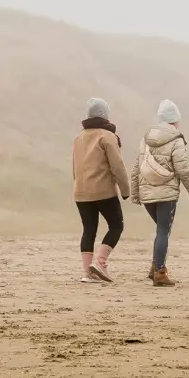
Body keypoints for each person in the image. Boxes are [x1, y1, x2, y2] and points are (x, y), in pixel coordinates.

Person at [130, 99, 189, 287]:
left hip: (147, 194)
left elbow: (137, 167)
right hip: (166, 194)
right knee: (163, 231)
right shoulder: (176, 139)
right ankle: (160, 272)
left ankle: (155, 268)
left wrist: (135, 193)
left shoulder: (146, 138)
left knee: (161, 230)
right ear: (175, 121)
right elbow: (183, 169)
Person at [72, 98, 131, 283]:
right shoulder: (107, 136)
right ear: (105, 115)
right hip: (103, 191)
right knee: (116, 225)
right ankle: (101, 263)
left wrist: (78, 185)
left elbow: (75, 167)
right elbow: (118, 166)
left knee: (89, 230)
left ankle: (87, 273)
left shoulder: (78, 137)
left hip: (81, 192)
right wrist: (125, 189)